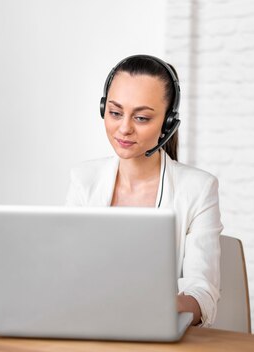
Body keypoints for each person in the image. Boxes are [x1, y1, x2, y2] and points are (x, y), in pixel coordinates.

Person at [65, 55, 223, 327]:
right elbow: (66, 269)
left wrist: (156, 305)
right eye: (115, 113)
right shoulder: (84, 179)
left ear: (168, 123)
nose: (124, 128)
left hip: (155, 333)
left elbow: (203, 294)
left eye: (141, 117)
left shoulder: (198, 189)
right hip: (89, 327)